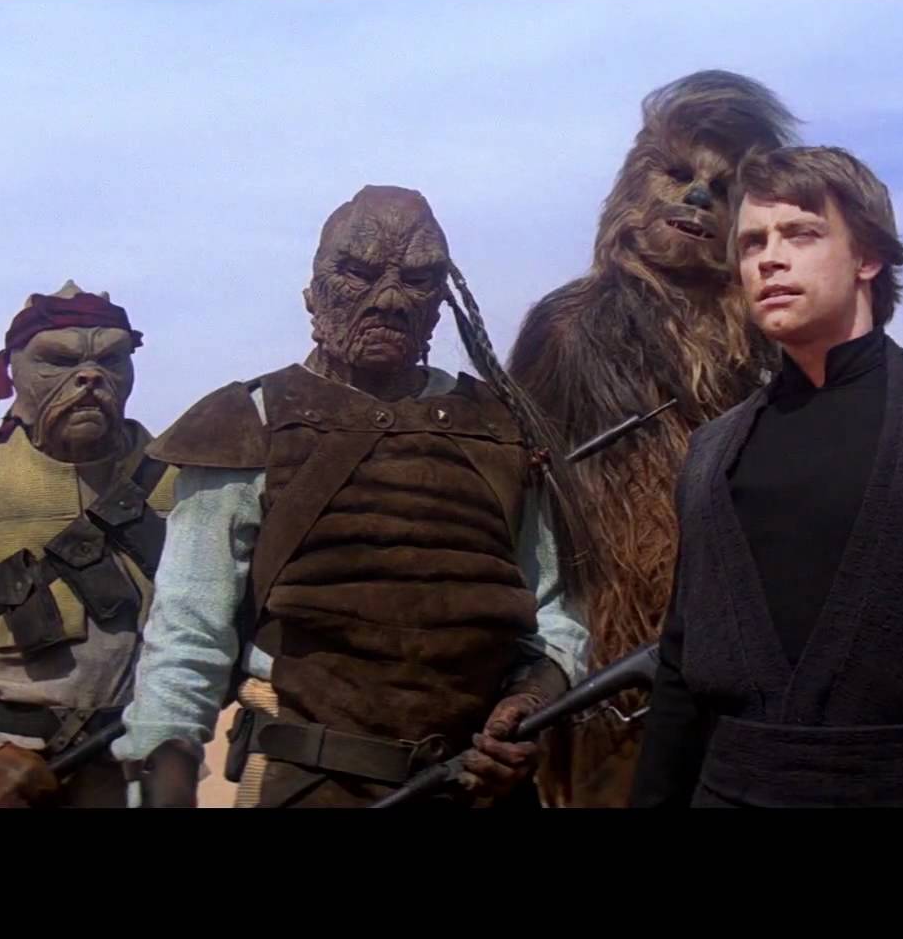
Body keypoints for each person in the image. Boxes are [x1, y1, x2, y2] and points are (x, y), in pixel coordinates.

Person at [113, 185, 590, 808]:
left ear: (440, 305)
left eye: (417, 280)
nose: (389, 300)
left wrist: (530, 701)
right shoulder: (251, 422)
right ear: (313, 294)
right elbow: (188, 634)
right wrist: (162, 781)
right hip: (307, 782)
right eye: (359, 274)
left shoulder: (501, 426)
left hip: (479, 786)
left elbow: (552, 615)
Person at [629, 146, 903, 807]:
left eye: (800, 234)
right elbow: (679, 674)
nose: (769, 259)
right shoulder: (712, 452)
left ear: (867, 257)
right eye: (752, 242)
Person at [506, 69, 798, 807]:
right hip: (605, 682)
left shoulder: (769, 351)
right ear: (635, 184)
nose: (697, 198)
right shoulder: (569, 328)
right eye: (677, 174)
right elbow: (513, 506)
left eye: (722, 188)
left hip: (740, 680)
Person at [0, 282, 176, 807]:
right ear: (13, 372)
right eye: (58, 361)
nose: (90, 377)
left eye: (111, 359)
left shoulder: (177, 479)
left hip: (147, 775)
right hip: (15, 777)